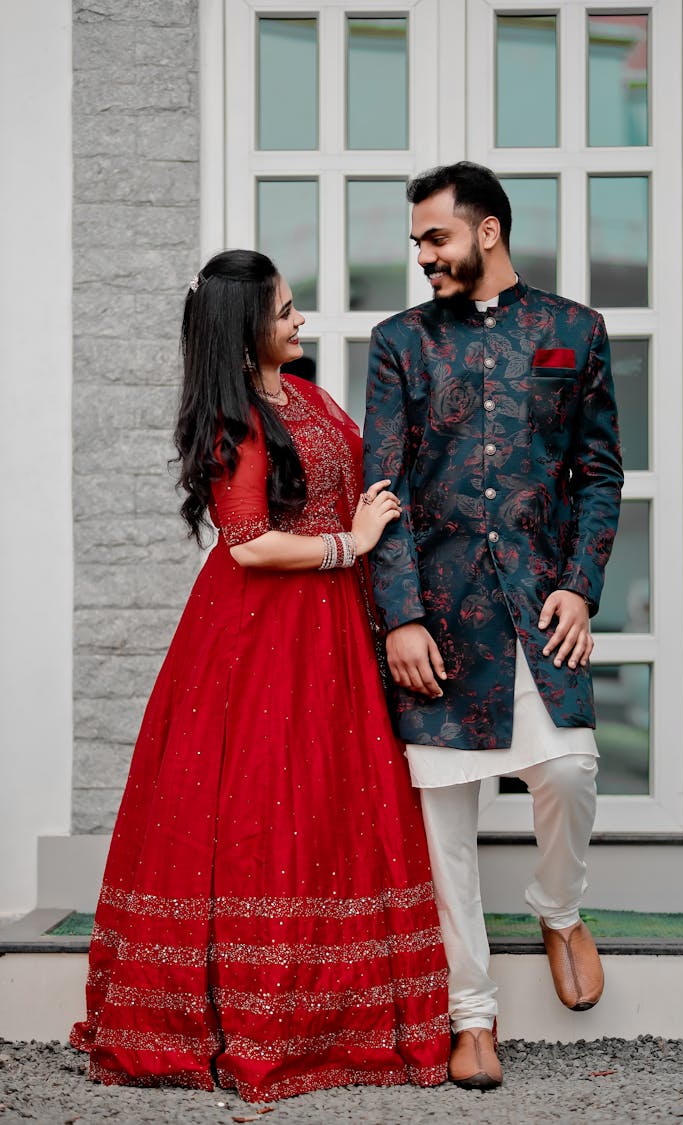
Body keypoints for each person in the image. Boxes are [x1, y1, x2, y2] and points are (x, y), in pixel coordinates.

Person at [71, 250, 450, 1103]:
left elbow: (371, 475)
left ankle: (338, 1014)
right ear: (247, 330)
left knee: (331, 805)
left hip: (333, 630)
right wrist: (348, 545)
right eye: (284, 313)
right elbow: (247, 542)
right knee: (261, 808)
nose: (300, 322)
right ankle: (258, 1013)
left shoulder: (307, 396)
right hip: (261, 635)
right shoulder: (236, 418)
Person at [363, 162, 623, 1090]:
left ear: (489, 232)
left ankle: (558, 905)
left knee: (568, 768)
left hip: (540, 604)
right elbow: (380, 491)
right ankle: (472, 1014)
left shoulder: (573, 331)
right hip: (438, 620)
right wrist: (399, 616)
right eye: (417, 241)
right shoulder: (399, 343)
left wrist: (582, 587)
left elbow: (598, 474)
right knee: (445, 827)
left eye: (436, 238)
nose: (423, 255)